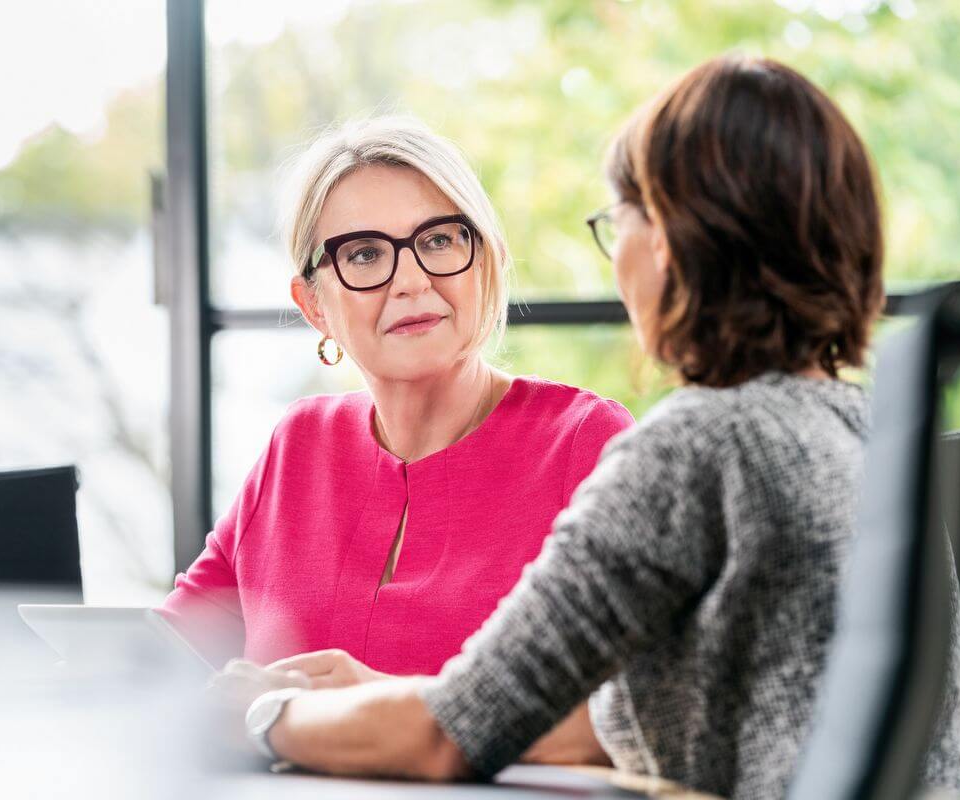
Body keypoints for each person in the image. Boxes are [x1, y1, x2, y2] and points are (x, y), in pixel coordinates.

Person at [219, 55, 960, 799]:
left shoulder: (696, 448)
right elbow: (582, 716)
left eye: (617, 221)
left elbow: (449, 732)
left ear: (669, 244)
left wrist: (263, 716)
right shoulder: (865, 432)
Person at [159, 116, 632, 734]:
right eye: (363, 254)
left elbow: (643, 712)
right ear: (314, 305)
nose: (411, 281)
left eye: (438, 240)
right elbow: (164, 662)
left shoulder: (586, 444)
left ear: (486, 260)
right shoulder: (297, 445)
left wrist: (382, 705)